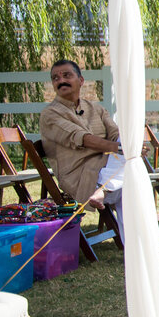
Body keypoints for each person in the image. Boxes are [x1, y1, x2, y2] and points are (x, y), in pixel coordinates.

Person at [39, 60, 124, 210]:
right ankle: (104, 189)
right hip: (82, 179)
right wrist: (121, 149)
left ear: (81, 80)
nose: (61, 81)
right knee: (132, 172)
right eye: (55, 78)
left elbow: (115, 134)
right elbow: (80, 138)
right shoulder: (50, 114)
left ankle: (105, 191)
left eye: (66, 75)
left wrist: (129, 145)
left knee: (129, 158)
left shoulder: (95, 109)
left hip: (107, 171)